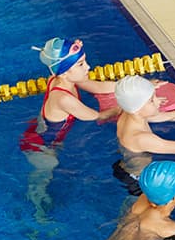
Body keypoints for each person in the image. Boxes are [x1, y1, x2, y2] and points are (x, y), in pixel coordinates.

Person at [20, 37, 121, 221]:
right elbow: (97, 116)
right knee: (45, 174)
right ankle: (38, 213)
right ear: (66, 72)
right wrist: (127, 105)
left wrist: (132, 86)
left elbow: (97, 87)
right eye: (81, 64)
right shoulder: (64, 98)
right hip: (41, 146)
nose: (88, 67)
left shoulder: (61, 78)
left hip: (40, 132)